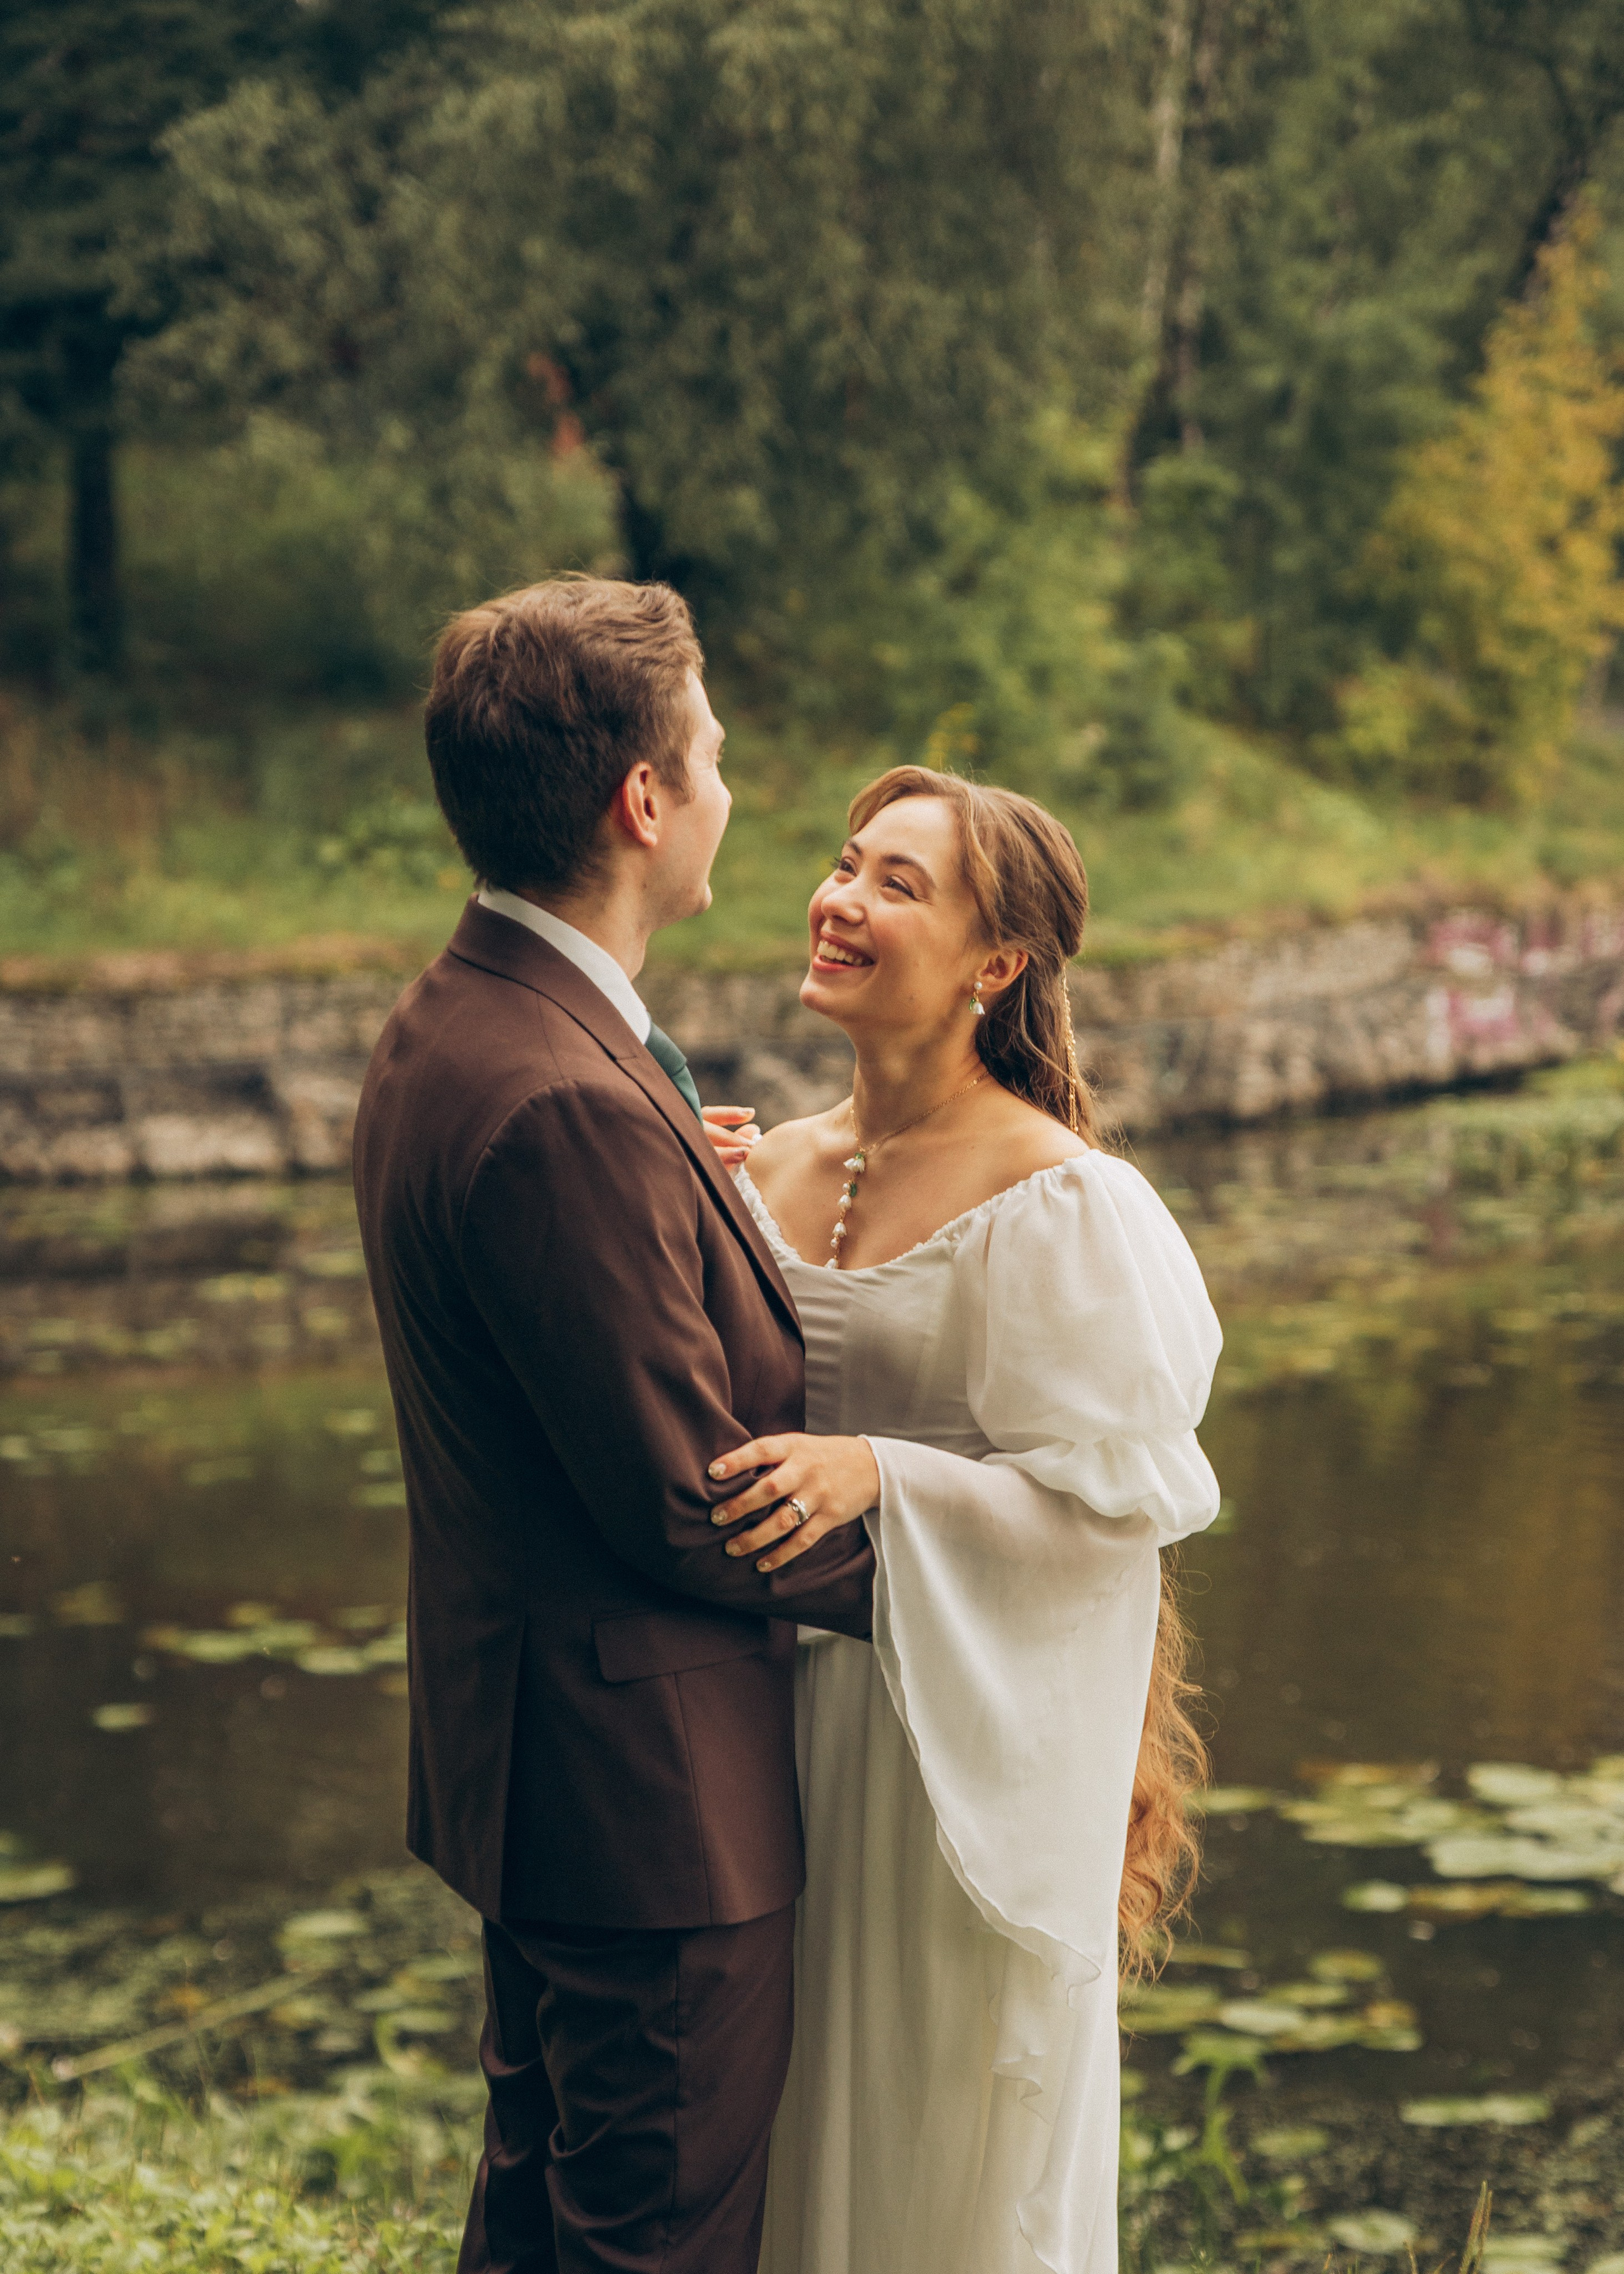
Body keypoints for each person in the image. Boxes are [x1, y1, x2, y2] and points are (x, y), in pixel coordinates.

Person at [350, 576, 875, 2274]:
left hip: (542, 1767)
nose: (732, 783)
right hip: (652, 1814)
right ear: (643, 802)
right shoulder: (562, 1096)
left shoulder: (477, 1019)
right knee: (650, 2243)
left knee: (542, 2224)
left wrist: (687, 1182)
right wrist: (983, 1563)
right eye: (712, 752)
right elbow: (692, 1500)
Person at [701, 766, 1223, 2274]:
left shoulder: (1068, 1203)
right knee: (774, 2121)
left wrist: (887, 1475)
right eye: (842, 863)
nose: (838, 897)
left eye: (895, 883)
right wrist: (682, 1190)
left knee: (937, 2134)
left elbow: (1113, 1512)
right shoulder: (759, 1166)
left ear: (996, 965)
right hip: (760, 1735)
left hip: (951, 1765)